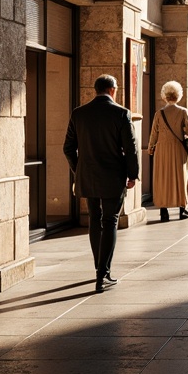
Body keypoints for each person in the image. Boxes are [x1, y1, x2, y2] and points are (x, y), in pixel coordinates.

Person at [63, 73, 139, 293]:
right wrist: (132, 175)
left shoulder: (79, 114)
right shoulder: (121, 113)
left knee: (95, 220)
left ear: (95, 90)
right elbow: (131, 149)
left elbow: (68, 147)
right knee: (110, 220)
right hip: (113, 176)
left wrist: (79, 170)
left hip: (87, 176)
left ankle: (99, 269)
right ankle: (102, 274)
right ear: (113, 90)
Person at [147, 80, 188, 221]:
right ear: (178, 95)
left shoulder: (159, 113)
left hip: (161, 149)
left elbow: (154, 133)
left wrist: (151, 147)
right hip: (178, 148)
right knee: (180, 177)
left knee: (162, 178)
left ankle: (164, 211)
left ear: (164, 96)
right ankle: (182, 209)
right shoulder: (183, 112)